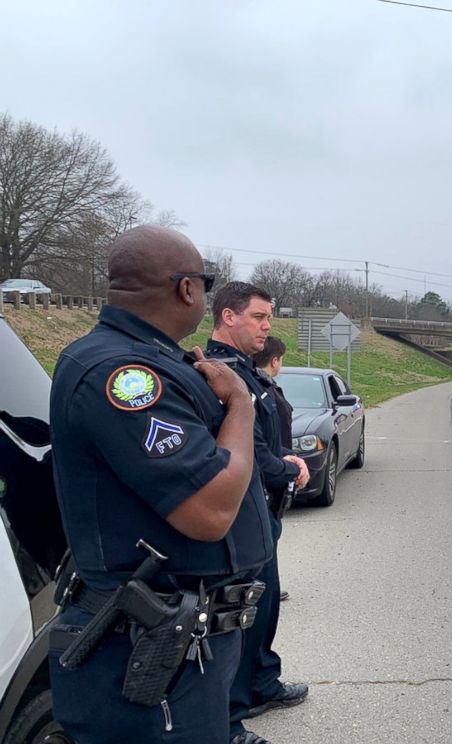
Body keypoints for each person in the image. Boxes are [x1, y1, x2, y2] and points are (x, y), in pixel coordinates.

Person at [47, 226, 274, 744]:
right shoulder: (123, 374)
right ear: (187, 288)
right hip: (150, 650)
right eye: (206, 282)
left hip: (183, 644)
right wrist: (239, 403)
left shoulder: (156, 359)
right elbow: (210, 510)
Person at [205, 283, 310, 743]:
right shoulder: (219, 373)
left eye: (269, 317)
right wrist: (284, 468)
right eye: (259, 317)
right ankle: (227, 719)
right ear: (229, 317)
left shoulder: (245, 371)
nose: (268, 326)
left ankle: (261, 684)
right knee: (234, 618)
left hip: (260, 510)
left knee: (263, 606)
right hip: (241, 511)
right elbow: (244, 448)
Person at [253, 336, 293, 600]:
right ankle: (265, 589)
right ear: (275, 361)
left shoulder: (262, 387)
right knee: (268, 534)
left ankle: (266, 586)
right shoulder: (264, 392)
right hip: (271, 473)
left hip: (275, 467)